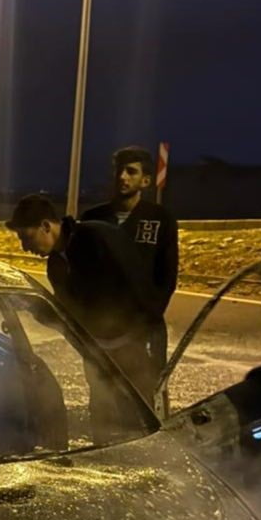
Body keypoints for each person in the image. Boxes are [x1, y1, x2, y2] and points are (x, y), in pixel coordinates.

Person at [6, 193, 159, 430]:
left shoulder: (97, 238)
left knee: (138, 418)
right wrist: (31, 305)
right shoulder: (56, 264)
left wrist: (144, 340)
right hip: (97, 353)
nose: (25, 248)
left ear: (46, 226)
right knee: (103, 417)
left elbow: (138, 287)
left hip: (129, 347)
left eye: (27, 237)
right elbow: (66, 317)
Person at [81, 146, 179, 382]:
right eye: (118, 171)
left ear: (145, 181)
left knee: (146, 396)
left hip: (144, 329)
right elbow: (82, 274)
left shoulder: (160, 219)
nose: (122, 177)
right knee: (102, 394)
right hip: (102, 331)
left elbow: (167, 276)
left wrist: (149, 318)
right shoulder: (92, 219)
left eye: (131, 172)